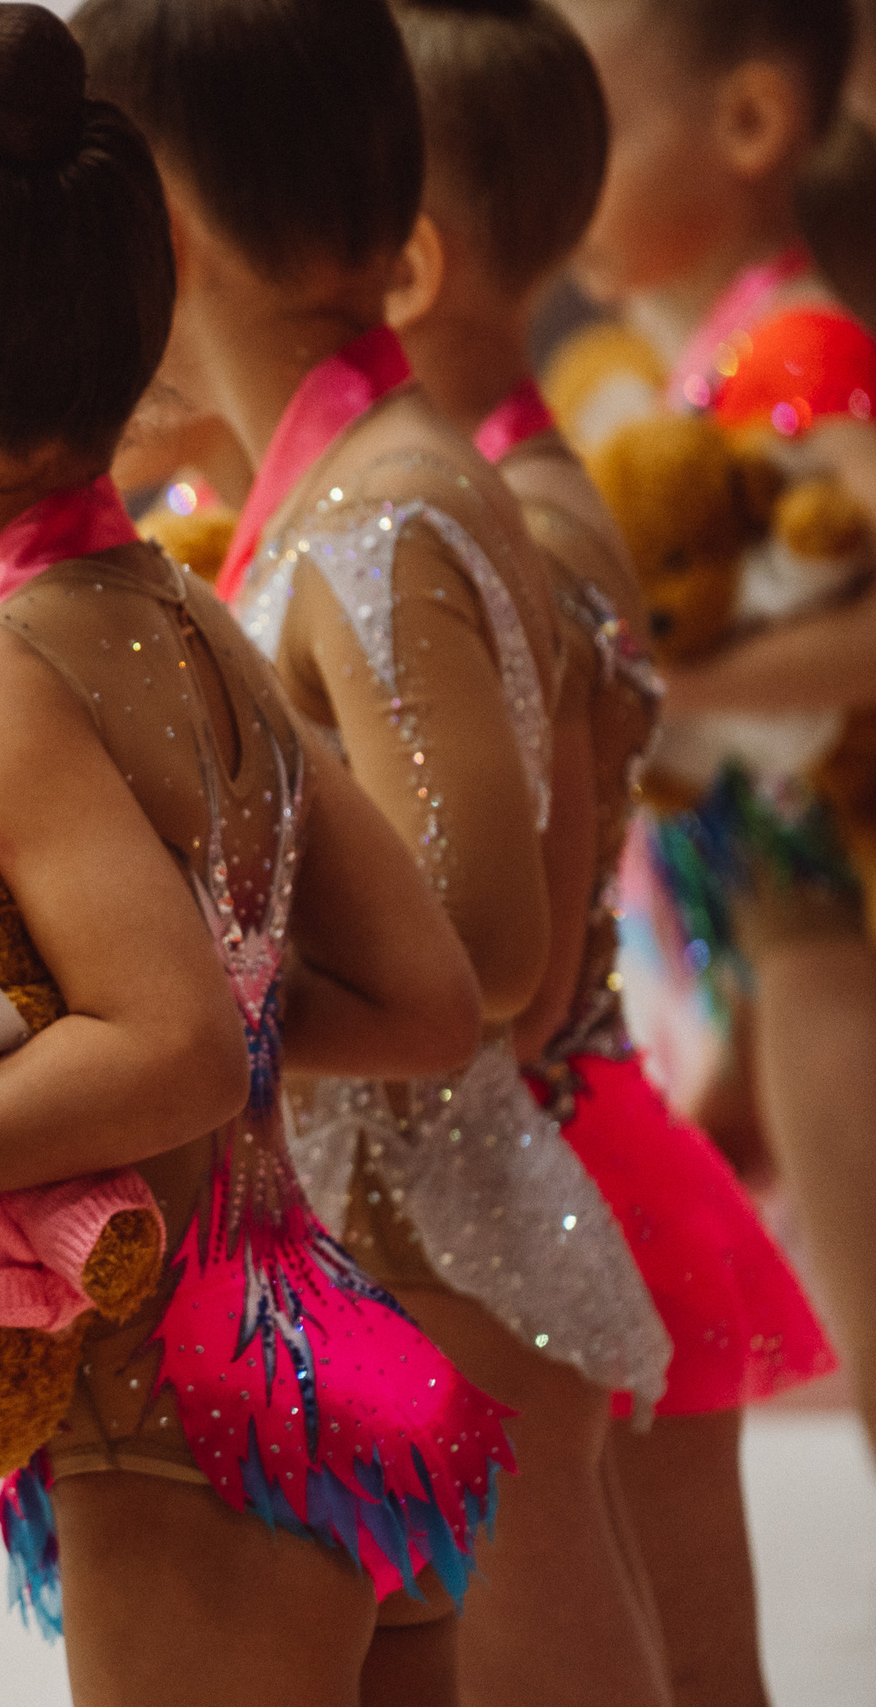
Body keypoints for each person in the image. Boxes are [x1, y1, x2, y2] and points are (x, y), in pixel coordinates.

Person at [0, 11, 506, 1704]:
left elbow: (160, 1052)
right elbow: (425, 997)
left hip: (176, 1412)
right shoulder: (192, 609)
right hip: (329, 1375)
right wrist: (205, 1000)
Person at [73, 1, 683, 1702]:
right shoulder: (341, 484)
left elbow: (492, 953)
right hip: (403, 1250)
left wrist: (175, 1018)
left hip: (457, 1263)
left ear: (165, 230)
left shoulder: (386, 513)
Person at [386, 6, 841, 1702]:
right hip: (709, 970)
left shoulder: (521, 489)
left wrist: (682, 684)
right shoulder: (569, 433)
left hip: (795, 932)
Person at [561, 0, 876, 1450]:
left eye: (591, 132)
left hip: (828, 929)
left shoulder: (801, 350)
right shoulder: (698, 360)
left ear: (750, 126)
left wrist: (666, 686)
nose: (553, 175)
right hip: (760, 925)